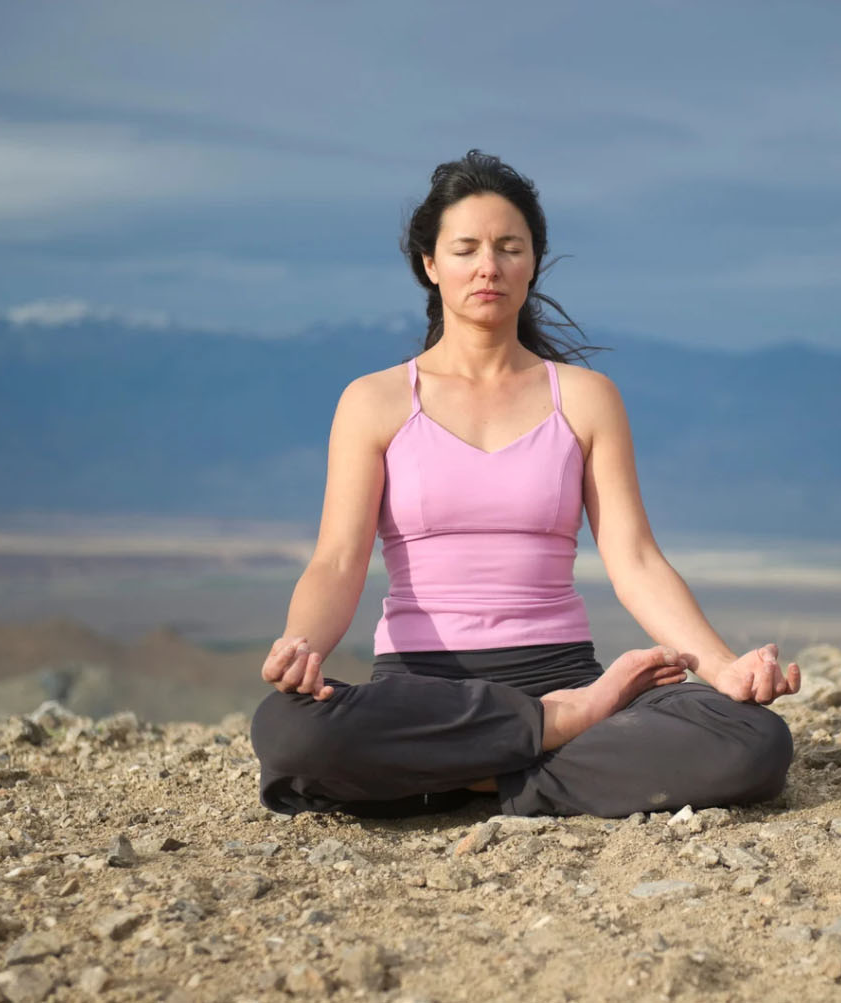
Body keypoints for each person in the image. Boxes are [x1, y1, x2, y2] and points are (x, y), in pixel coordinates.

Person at [250, 150, 799, 818]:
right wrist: (301, 645)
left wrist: (721, 666)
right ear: (429, 264)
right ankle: (546, 734)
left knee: (752, 738)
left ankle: (455, 774)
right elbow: (337, 560)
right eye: (466, 248)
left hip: (562, 672)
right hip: (425, 690)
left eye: (510, 247)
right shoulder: (373, 401)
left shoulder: (585, 399)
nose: (489, 266)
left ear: (533, 261)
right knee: (288, 729)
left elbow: (634, 558)